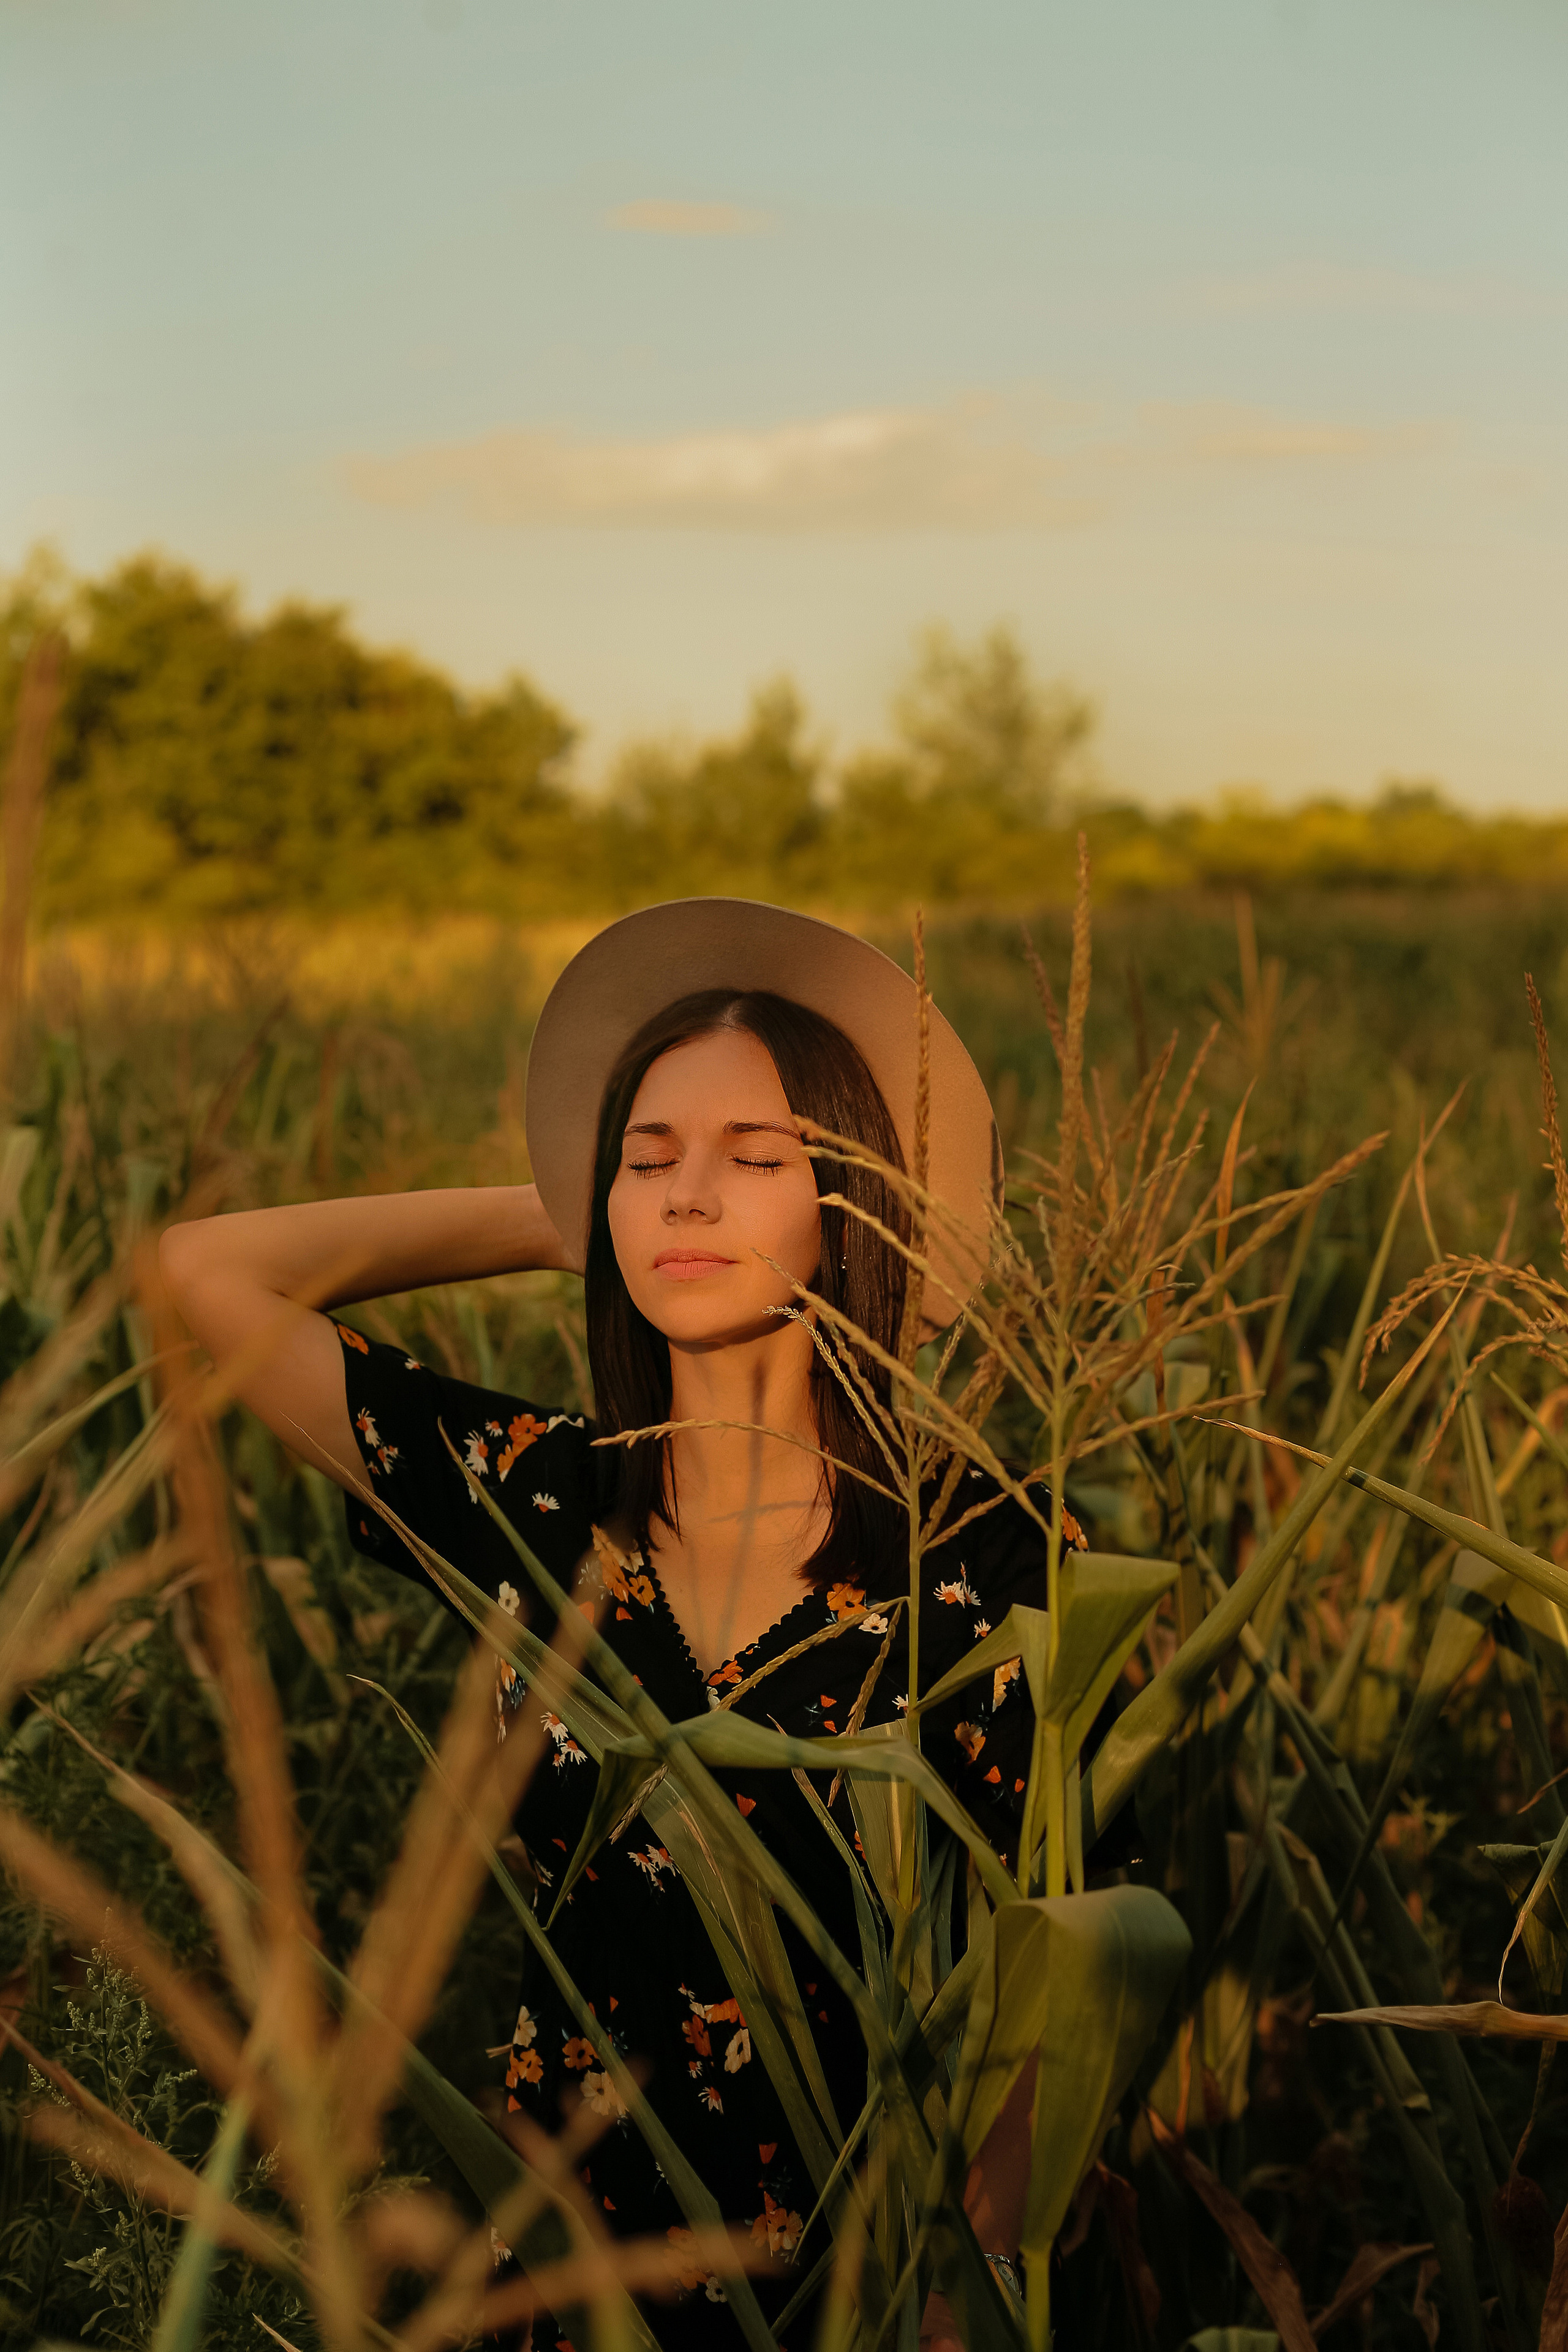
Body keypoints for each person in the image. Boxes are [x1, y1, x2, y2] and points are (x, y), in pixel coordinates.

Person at [161, 899, 1101, 2351]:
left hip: (860, 2291)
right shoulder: (534, 1499)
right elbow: (202, 1275)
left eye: (755, 1161)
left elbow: (1075, 1969)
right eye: (647, 1162)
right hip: (563, 2280)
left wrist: (958, 2289)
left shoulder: (990, 1555)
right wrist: (555, 1215)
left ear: (857, 1201)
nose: (686, 1199)